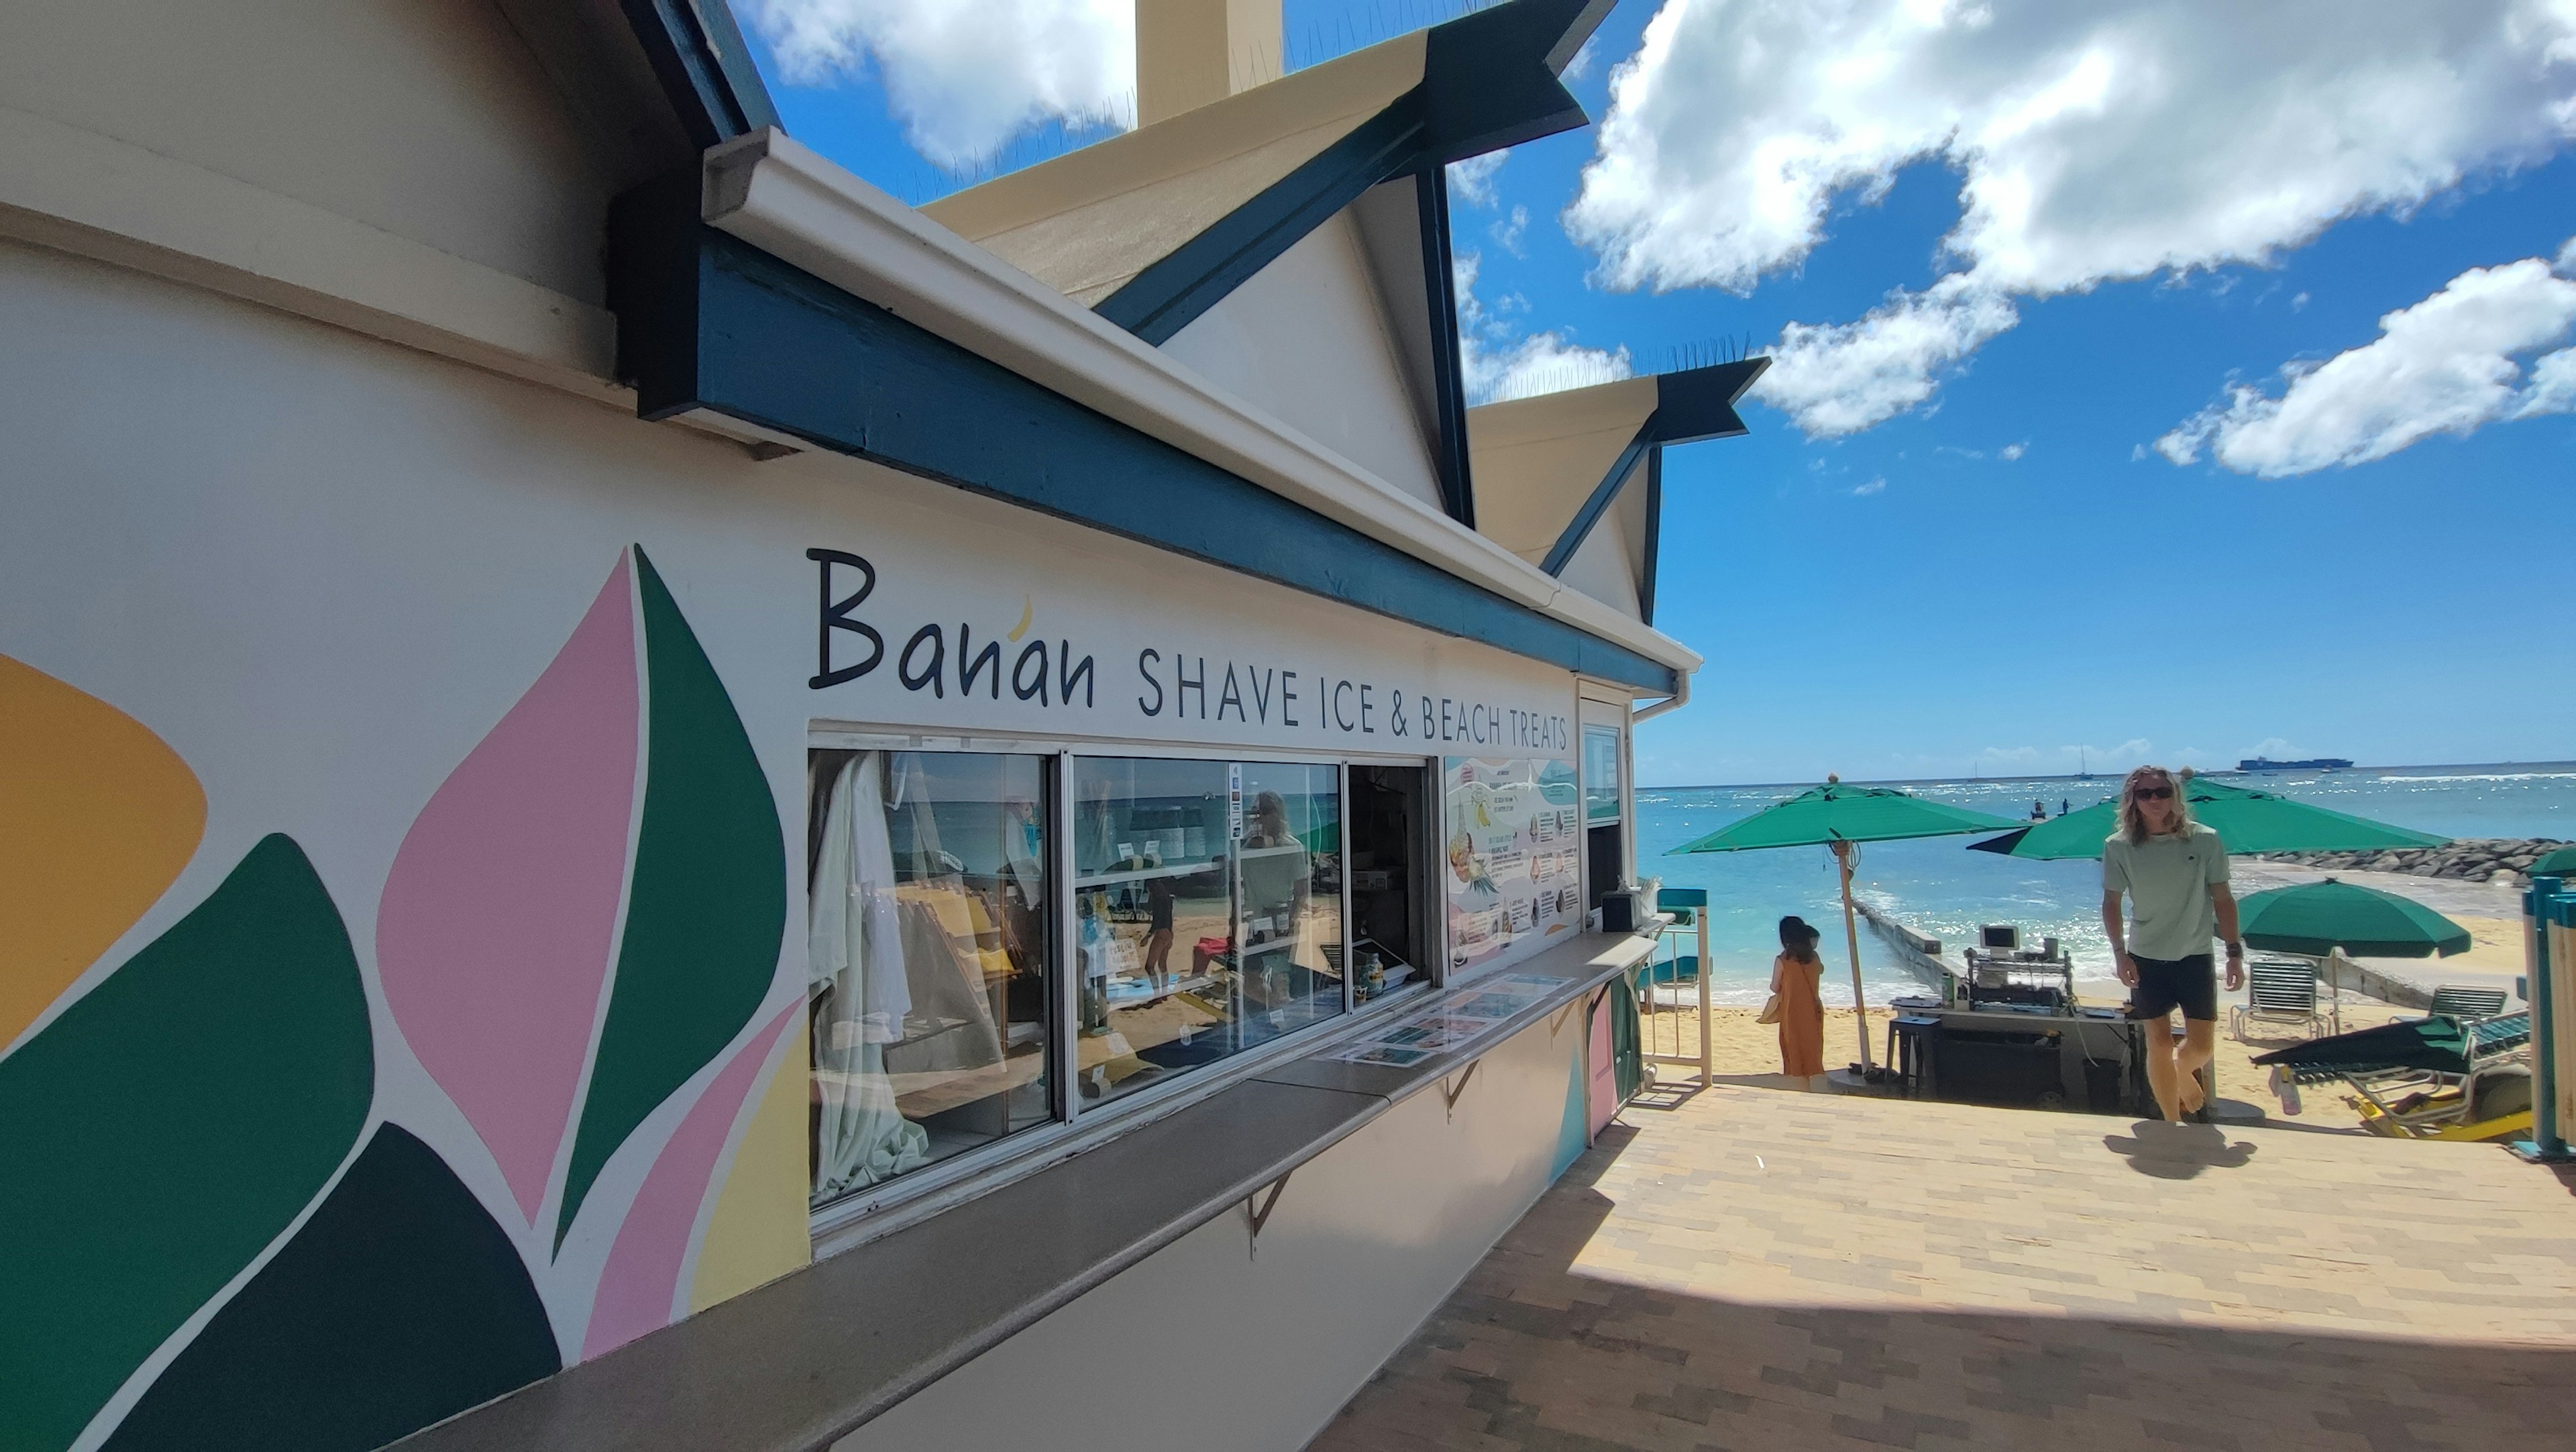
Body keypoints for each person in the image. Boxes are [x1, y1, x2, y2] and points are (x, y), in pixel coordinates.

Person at [2101, 766, 2243, 1125]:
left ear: (2175, 796)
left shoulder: (2205, 840)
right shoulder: (2119, 846)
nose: (2154, 800)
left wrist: (2234, 954)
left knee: (2201, 1049)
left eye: (2162, 792)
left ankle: (2184, 1072)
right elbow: (2111, 903)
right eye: (2145, 793)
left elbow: (2224, 900)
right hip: (2145, 956)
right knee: (2159, 1044)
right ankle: (2170, 1123)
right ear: (2132, 799)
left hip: (2194, 955)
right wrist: (2119, 954)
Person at [1770, 915, 1827, 1087]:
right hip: (1813, 1007)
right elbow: (1819, 971)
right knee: (1813, 1045)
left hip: (1792, 1010)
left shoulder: (1783, 960)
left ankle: (1798, 1083)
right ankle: (1813, 1078)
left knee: (1793, 1047)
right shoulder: (1815, 958)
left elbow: (1774, 987)